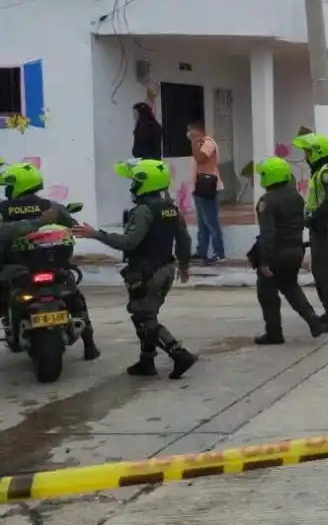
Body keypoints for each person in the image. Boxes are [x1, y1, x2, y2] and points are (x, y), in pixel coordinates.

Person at [72, 159, 198, 379]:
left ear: (145, 183)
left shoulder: (143, 211)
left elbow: (128, 242)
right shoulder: (170, 209)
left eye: (134, 182)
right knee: (147, 314)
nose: (132, 187)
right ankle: (146, 361)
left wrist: (96, 234)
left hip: (146, 272)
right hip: (165, 268)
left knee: (143, 318)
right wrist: (184, 265)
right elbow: (184, 240)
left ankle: (179, 354)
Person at [0, 163, 100, 360]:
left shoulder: (3, 209)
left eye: (9, 186)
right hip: (53, 266)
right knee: (75, 299)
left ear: (16, 186)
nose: (7, 190)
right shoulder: (51, 207)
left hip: (13, 270)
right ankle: (90, 344)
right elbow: (73, 226)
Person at [250, 157, 326, 344]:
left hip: (276, 253)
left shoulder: (267, 201)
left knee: (267, 293)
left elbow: (268, 233)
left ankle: (274, 333)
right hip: (295, 250)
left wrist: (265, 261)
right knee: (290, 287)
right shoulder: (295, 196)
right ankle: (314, 321)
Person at [291, 133, 328, 331]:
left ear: (317, 153)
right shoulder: (318, 172)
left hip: (325, 225)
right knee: (319, 270)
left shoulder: (325, 173)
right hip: (320, 226)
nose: (305, 155)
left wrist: (313, 218)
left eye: (308, 151)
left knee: (324, 271)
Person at [187, 121, 225, 264]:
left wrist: (195, 143)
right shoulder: (200, 143)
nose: (189, 134)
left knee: (211, 221)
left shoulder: (208, 143)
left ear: (198, 131)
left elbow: (201, 159)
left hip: (208, 187)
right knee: (202, 223)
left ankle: (219, 252)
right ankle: (201, 250)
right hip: (198, 188)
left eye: (191, 131)